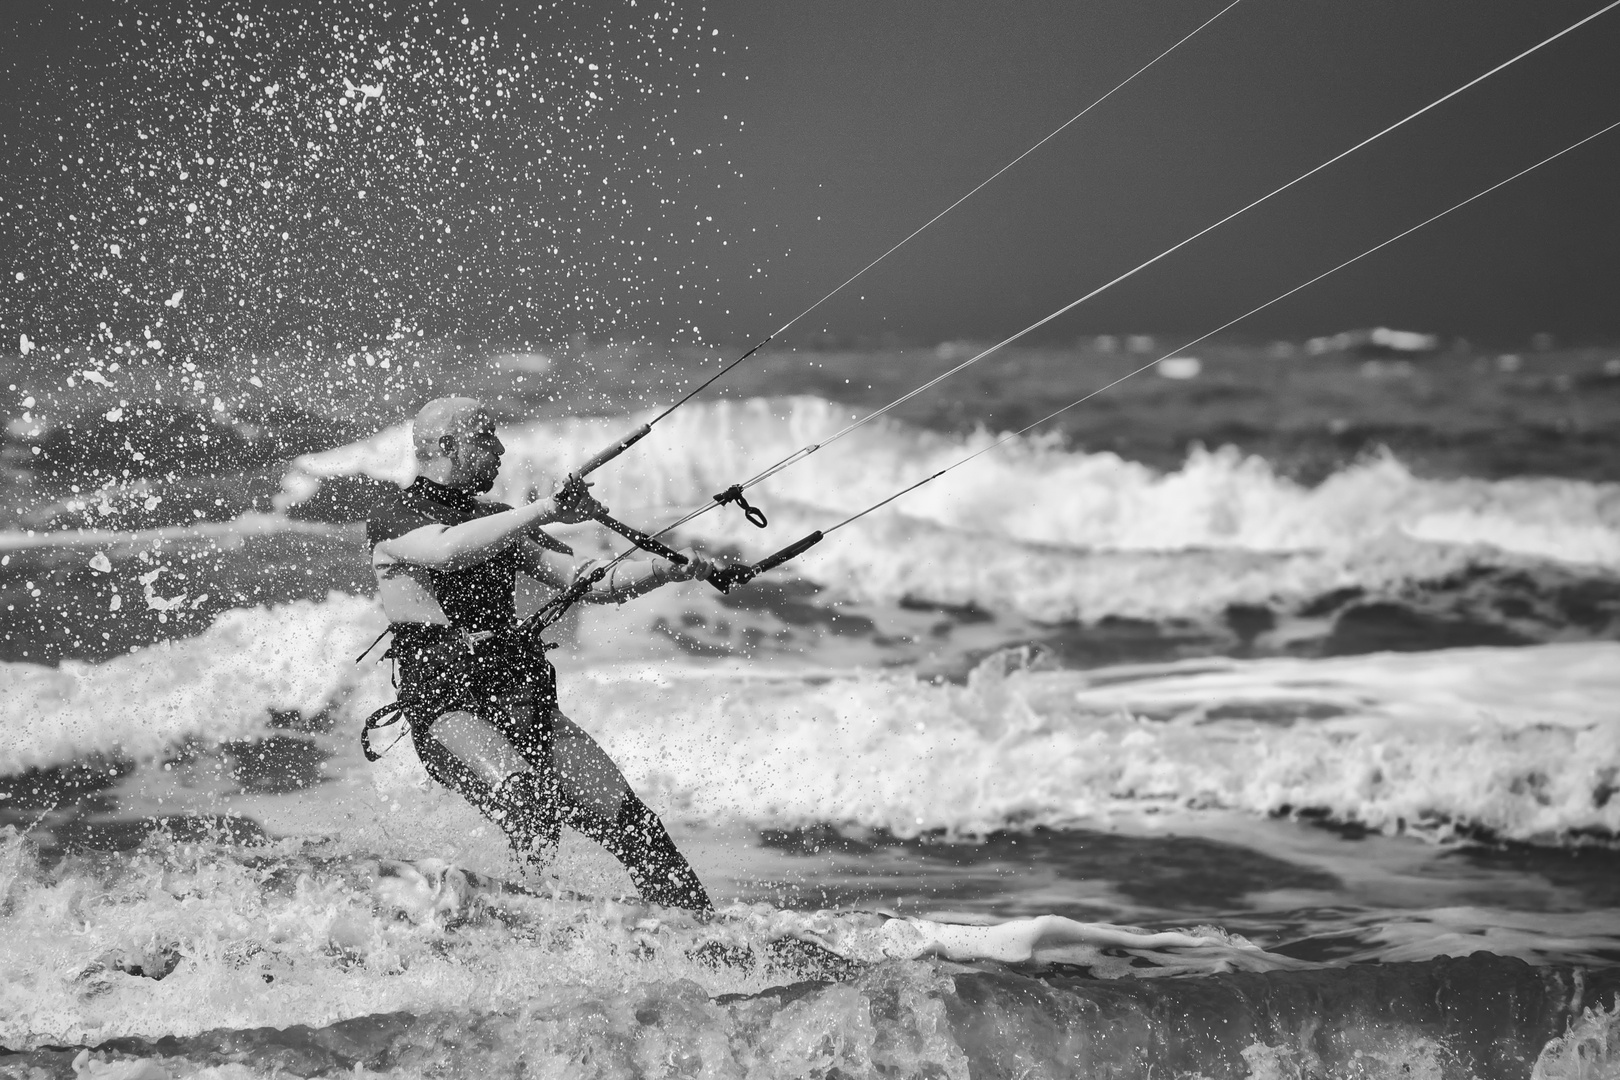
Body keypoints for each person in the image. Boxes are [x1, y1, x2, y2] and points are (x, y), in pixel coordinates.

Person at [365, 396, 715, 911]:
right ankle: (529, 918)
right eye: (486, 436)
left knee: (639, 827)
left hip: (522, 701)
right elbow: (448, 549)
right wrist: (547, 509)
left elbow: (585, 580)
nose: (501, 448)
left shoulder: (499, 520)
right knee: (527, 803)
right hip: (449, 710)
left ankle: (707, 934)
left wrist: (663, 570)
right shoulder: (394, 519)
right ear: (446, 445)